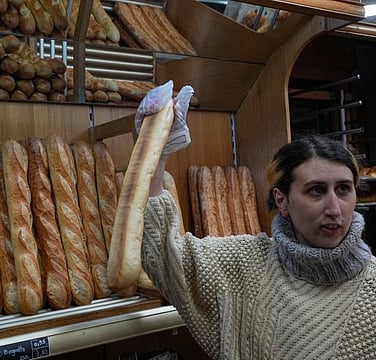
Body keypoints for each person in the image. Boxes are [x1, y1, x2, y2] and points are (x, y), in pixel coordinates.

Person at [136, 82, 376, 359]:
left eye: (344, 189)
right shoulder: (247, 264)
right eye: (316, 191)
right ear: (282, 200)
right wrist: (155, 151)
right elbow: (164, 256)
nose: (334, 208)